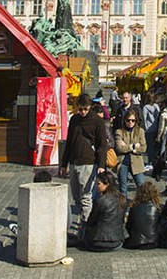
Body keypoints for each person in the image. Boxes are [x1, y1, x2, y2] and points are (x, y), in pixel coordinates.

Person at [59, 93, 109, 234]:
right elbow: (69, 142)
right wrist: (64, 164)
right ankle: (84, 220)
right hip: (75, 161)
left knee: (86, 196)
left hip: (89, 162)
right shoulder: (74, 119)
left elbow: (102, 145)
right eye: (80, 109)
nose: (83, 112)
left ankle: (86, 227)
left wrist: (101, 165)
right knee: (76, 196)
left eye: (85, 109)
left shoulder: (97, 121)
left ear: (90, 107)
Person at [83, 171, 127, 251]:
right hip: (117, 241)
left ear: (107, 184)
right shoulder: (122, 199)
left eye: (98, 184)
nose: (96, 186)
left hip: (98, 242)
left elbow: (91, 221)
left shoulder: (100, 200)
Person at [114, 109, 147, 200]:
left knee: (141, 187)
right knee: (123, 189)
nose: (130, 122)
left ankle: (141, 208)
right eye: (128, 120)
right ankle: (123, 210)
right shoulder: (119, 132)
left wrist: (127, 147)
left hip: (136, 162)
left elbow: (143, 148)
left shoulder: (140, 131)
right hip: (123, 162)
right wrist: (133, 146)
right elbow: (119, 148)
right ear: (125, 120)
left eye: (133, 120)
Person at [124, 181, 161, 249]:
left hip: (135, 241)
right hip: (153, 241)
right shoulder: (157, 208)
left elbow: (128, 226)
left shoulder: (133, 207)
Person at [142, 92, 160, 167]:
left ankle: (150, 161)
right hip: (156, 128)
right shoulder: (156, 106)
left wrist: (144, 128)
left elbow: (144, 118)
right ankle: (155, 161)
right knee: (155, 146)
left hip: (148, 129)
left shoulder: (145, 107)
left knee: (149, 146)